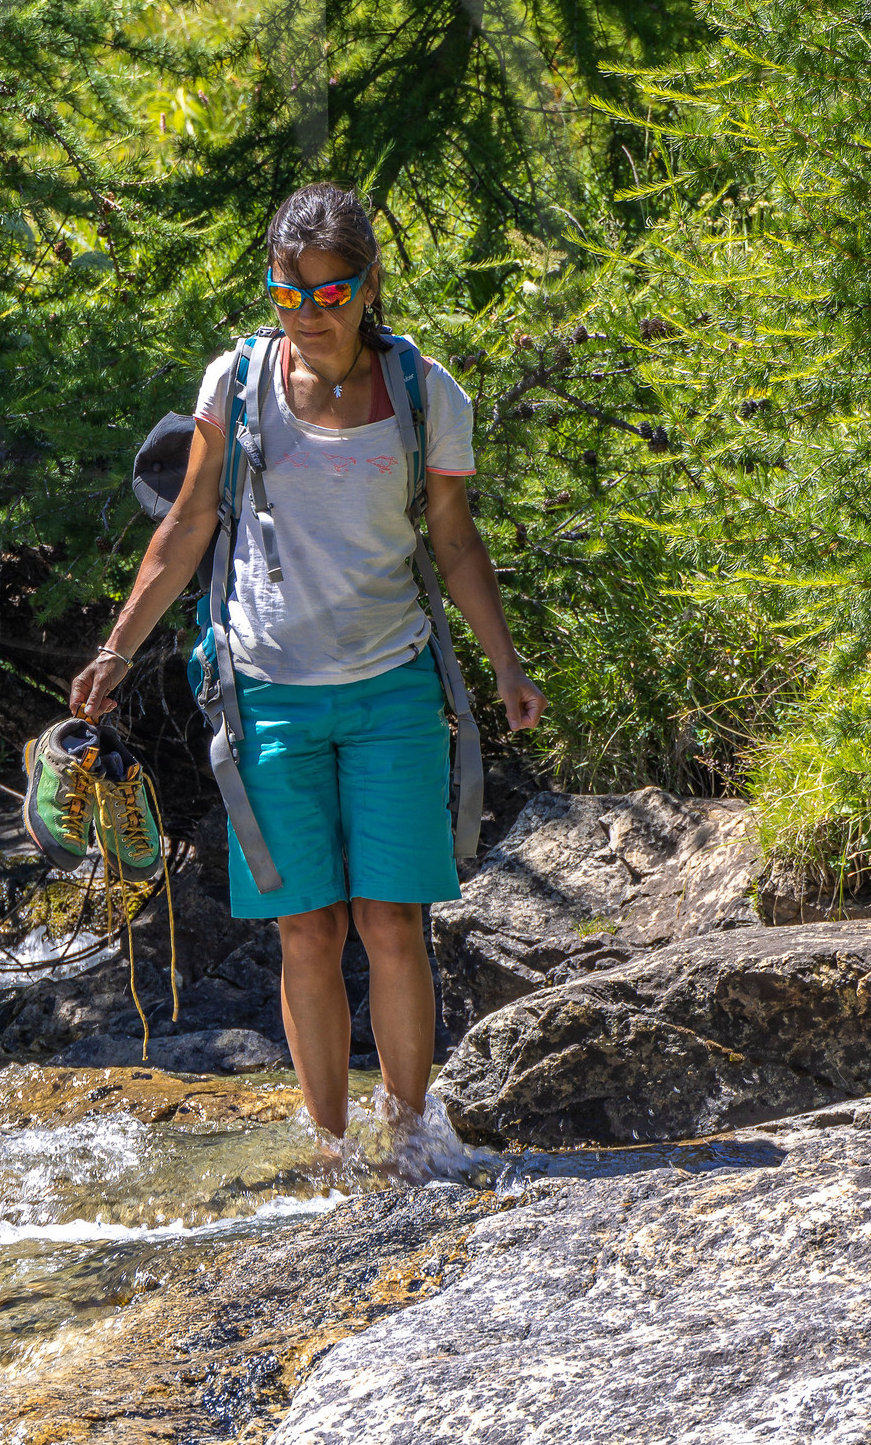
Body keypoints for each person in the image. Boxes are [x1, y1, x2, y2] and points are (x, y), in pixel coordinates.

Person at [67, 181, 545, 1141]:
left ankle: (410, 1146)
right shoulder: (235, 385)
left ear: (368, 287)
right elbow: (190, 524)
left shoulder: (423, 392)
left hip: (394, 692)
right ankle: (335, 1155)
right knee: (308, 932)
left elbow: (454, 540)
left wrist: (504, 663)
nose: (312, 315)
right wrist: (118, 647)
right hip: (268, 700)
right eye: (292, 296)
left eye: (333, 295)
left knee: (391, 926)